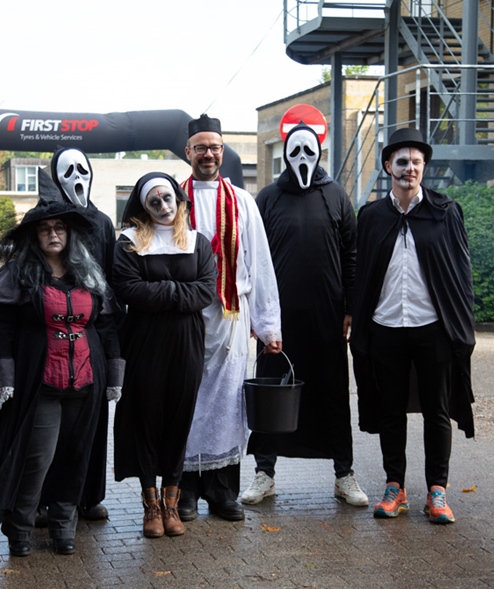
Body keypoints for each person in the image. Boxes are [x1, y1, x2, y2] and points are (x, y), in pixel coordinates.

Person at [0, 172, 122, 557]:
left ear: (70, 234)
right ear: (34, 236)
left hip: (87, 379)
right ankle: (19, 526)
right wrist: (4, 378)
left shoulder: (88, 272)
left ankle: (63, 524)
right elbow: (2, 329)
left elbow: (106, 326)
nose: (53, 234)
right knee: (38, 457)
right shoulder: (19, 274)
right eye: (45, 229)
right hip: (41, 381)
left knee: (75, 455)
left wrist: (114, 374)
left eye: (60, 228)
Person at [349, 127, 476, 525]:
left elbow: (462, 273)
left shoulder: (445, 211)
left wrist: (462, 324)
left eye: (416, 162)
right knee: (391, 411)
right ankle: (395, 487)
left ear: (424, 167)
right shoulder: (372, 216)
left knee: (437, 410)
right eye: (402, 162)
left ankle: (437, 490)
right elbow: (361, 273)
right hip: (386, 325)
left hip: (431, 326)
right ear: (388, 166)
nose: (410, 169)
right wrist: (356, 318)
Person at [244, 122, 368, 507]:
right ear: (285, 154)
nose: (301, 157)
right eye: (294, 150)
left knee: (332, 394)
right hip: (278, 322)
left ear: (319, 153)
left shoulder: (336, 196)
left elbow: (352, 255)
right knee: (271, 394)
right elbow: (252, 258)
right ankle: (264, 473)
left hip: (327, 318)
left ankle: (344, 474)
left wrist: (350, 308)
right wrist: (256, 315)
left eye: (308, 150)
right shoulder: (268, 198)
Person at [177, 114, 283, 522]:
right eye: (200, 147)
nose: (208, 154)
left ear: (223, 151)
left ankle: (222, 493)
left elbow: (260, 263)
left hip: (230, 316)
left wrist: (268, 325)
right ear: (188, 152)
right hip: (185, 319)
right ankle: (184, 491)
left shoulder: (241, 201)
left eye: (215, 147)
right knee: (185, 400)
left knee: (227, 402)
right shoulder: (173, 198)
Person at [112, 172, 217, 538]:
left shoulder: (197, 241)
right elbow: (128, 289)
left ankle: (172, 502)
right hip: (144, 340)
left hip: (187, 340)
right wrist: (177, 292)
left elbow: (206, 290)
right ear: (144, 207)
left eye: (167, 198)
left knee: (178, 416)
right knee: (145, 416)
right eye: (154, 202)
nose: (163, 206)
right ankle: (151, 505)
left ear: (178, 199)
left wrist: (161, 292)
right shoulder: (129, 243)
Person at [35, 147, 120, 525]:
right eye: (68, 171)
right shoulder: (44, 220)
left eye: (83, 169)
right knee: (48, 426)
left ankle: (88, 496)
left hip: (93, 333)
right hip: (51, 333)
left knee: (91, 422)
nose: (77, 177)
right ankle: (42, 499)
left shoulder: (101, 222)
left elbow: (111, 280)